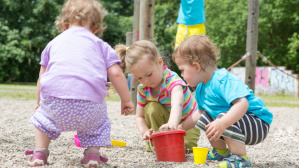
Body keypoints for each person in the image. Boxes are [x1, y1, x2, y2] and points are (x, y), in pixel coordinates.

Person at [25, 0, 134, 167]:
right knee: (100, 123)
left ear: (64, 24)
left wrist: (39, 103)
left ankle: (40, 153)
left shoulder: (53, 43)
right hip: (89, 108)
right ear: (96, 28)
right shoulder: (101, 45)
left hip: (55, 105)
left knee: (41, 121)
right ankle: (92, 155)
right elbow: (116, 74)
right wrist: (126, 100)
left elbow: (42, 77)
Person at [173, 35, 273, 167]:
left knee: (222, 116)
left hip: (257, 123)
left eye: (182, 70)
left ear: (196, 66)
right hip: (241, 123)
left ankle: (240, 159)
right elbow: (199, 114)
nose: (182, 75)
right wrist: (180, 128)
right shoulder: (201, 89)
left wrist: (222, 122)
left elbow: (243, 104)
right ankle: (221, 152)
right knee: (205, 116)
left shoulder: (222, 79)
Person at [115, 40, 201, 153]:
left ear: (160, 62)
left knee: (185, 148)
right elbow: (139, 117)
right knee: (151, 108)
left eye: (149, 74)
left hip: (186, 123)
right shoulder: (143, 89)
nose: (146, 80)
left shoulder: (173, 81)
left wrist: (172, 125)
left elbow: (177, 105)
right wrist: (144, 131)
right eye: (139, 78)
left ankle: (168, 142)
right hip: (164, 123)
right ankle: (156, 142)